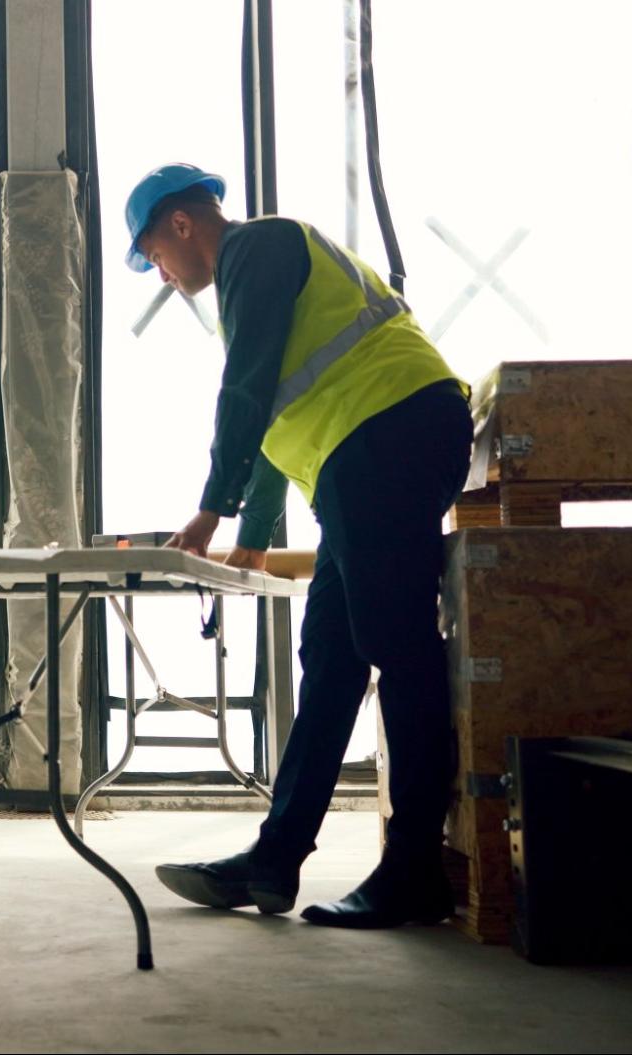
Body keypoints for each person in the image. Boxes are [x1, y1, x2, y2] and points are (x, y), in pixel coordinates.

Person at [126, 162, 473, 928]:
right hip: (365, 454)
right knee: (331, 657)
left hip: (388, 431)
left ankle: (415, 871)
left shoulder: (262, 246)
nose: (159, 271)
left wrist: (211, 510)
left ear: (181, 224)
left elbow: (245, 393)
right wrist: (252, 537)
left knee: (399, 644)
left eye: (152, 253)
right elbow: (280, 416)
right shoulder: (257, 277)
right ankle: (275, 857)